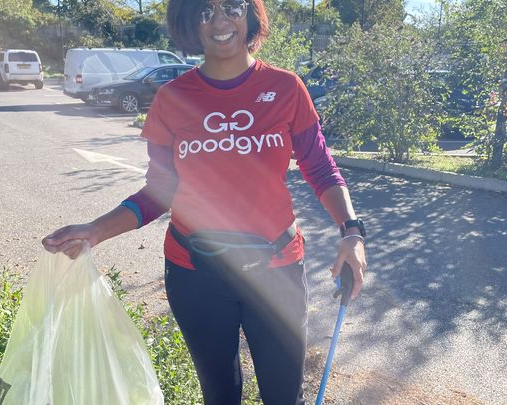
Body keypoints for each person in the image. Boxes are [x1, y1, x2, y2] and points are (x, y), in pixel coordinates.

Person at [42, 0, 367, 403]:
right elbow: (160, 190)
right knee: (220, 395)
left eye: (231, 6)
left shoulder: (285, 88)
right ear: (188, 23)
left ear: (250, 13)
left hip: (277, 268)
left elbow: (320, 167)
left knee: (285, 397)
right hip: (196, 273)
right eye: (203, 11)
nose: (219, 21)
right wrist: (95, 231)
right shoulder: (172, 98)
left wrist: (351, 233)